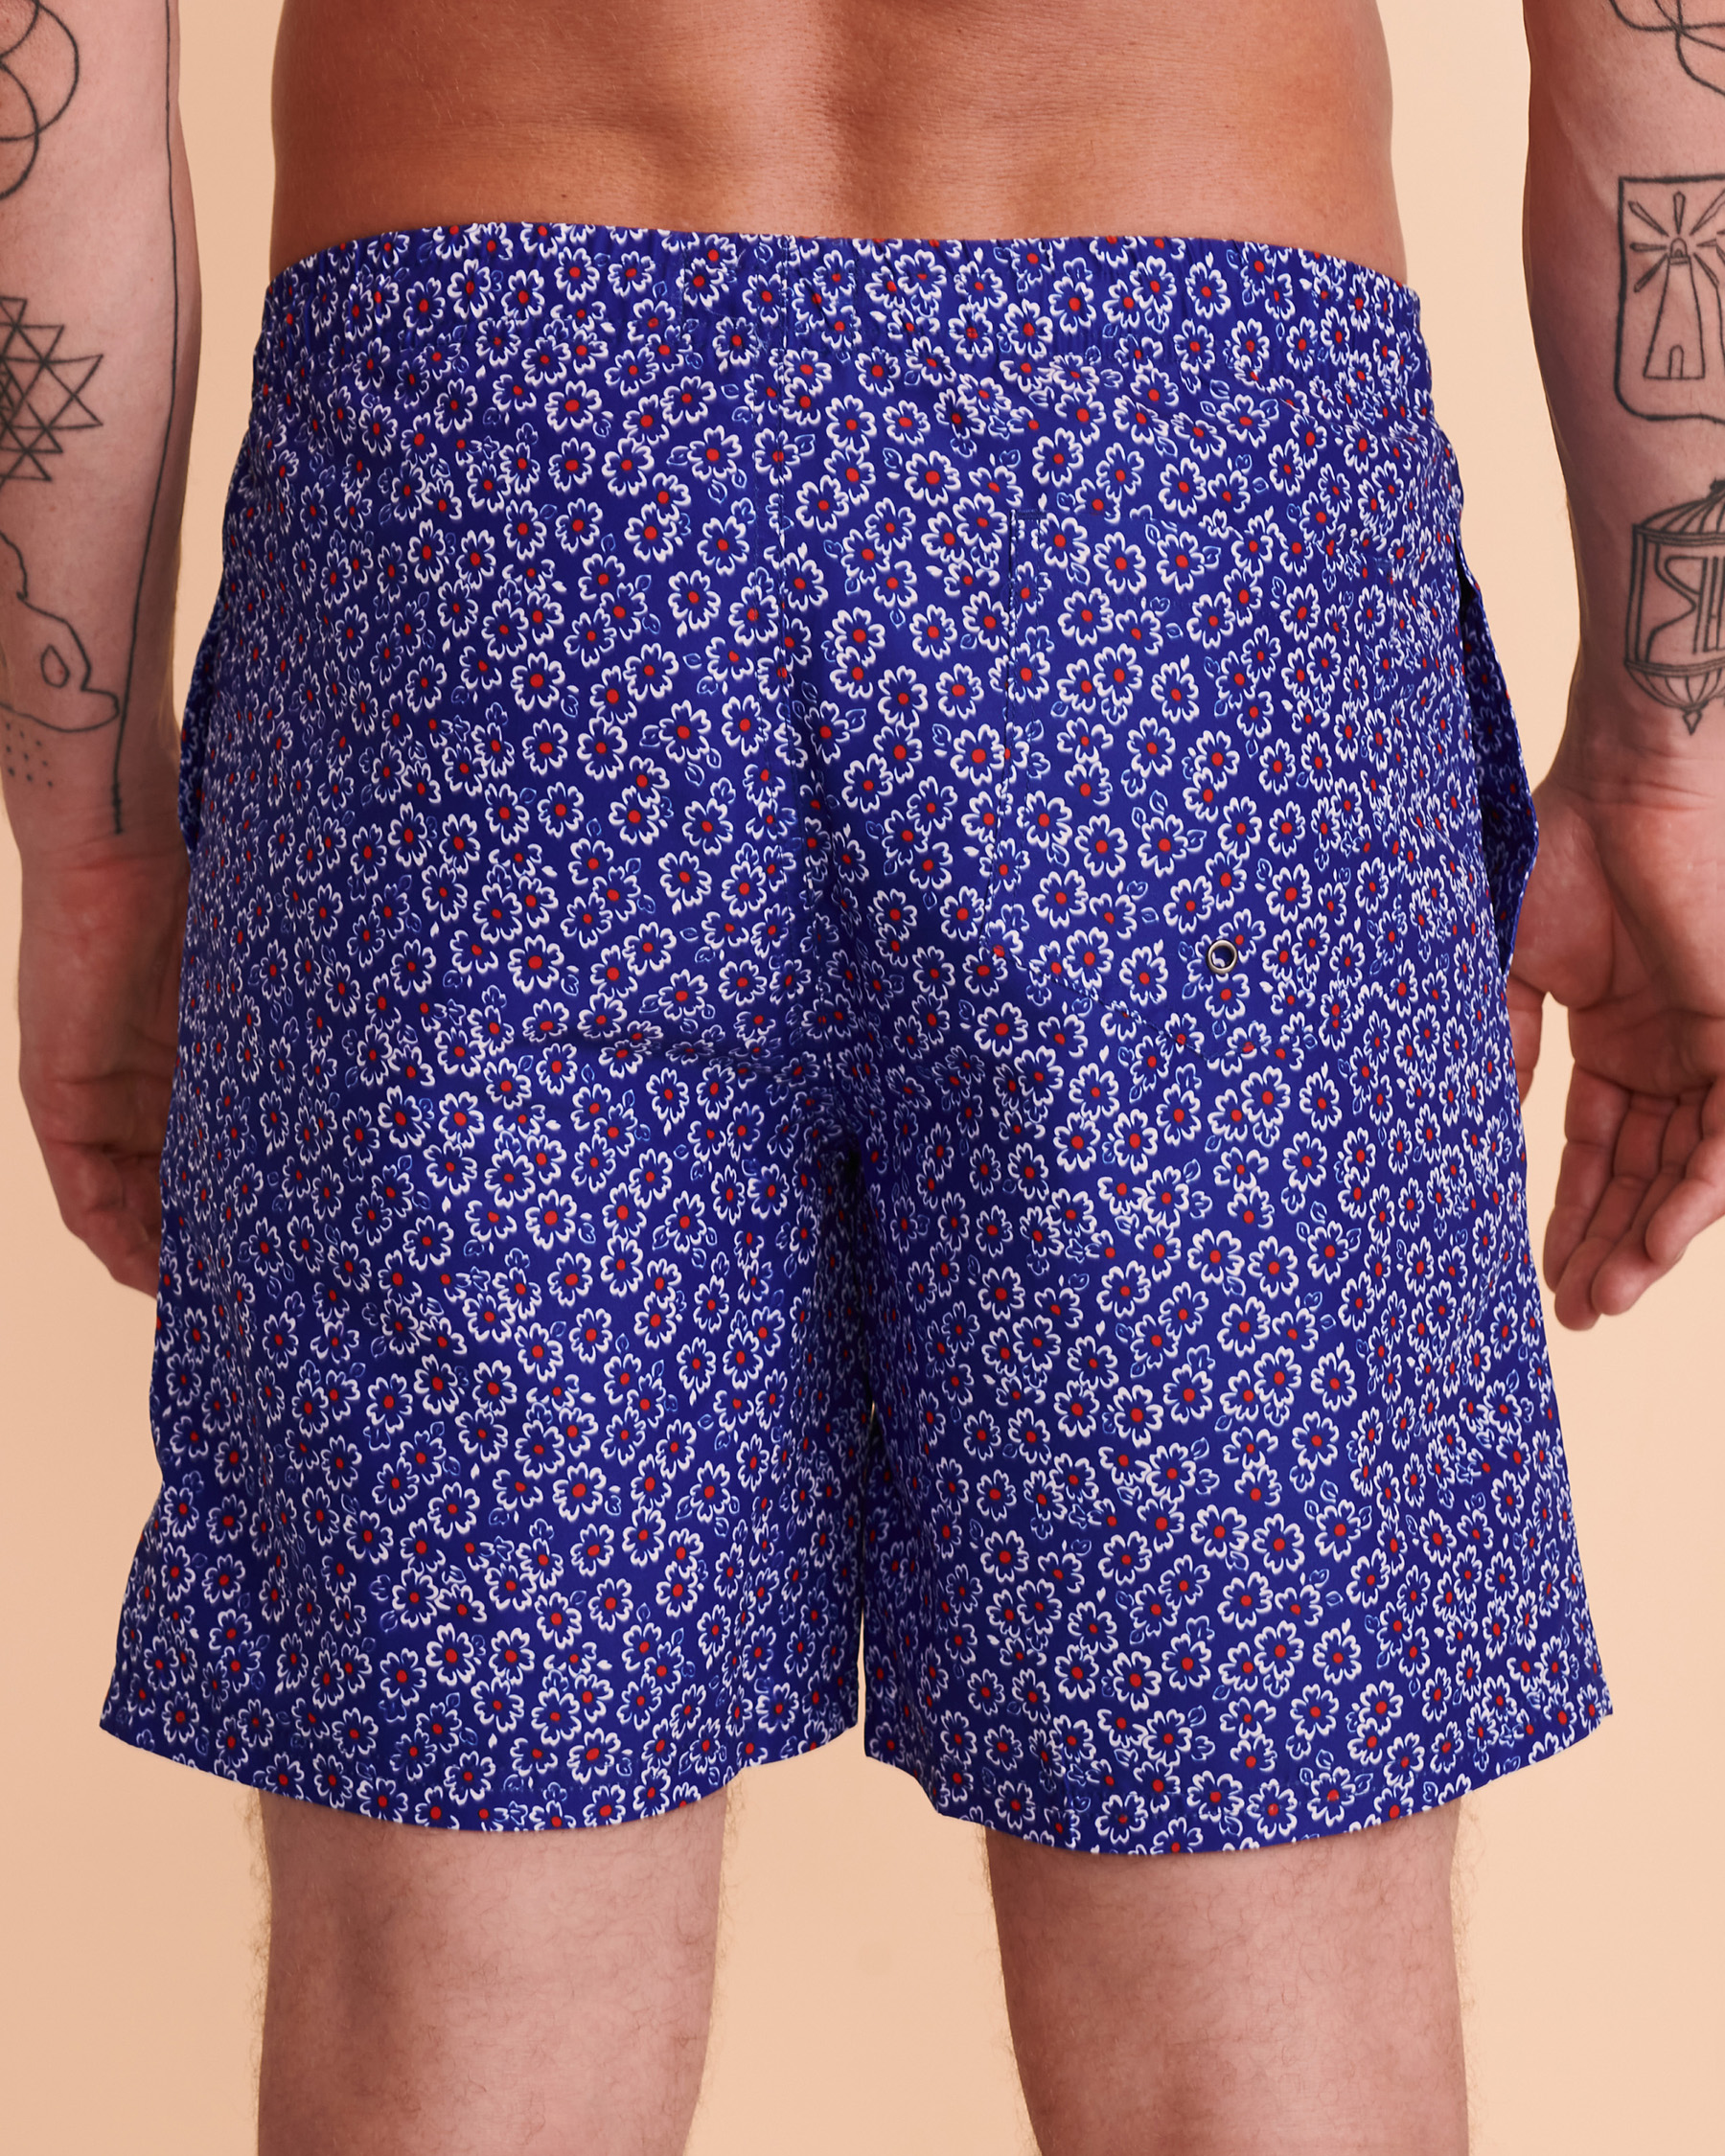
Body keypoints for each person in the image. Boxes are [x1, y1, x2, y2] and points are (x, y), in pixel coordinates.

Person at [3, 0, 1720, 2147]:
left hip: (498, 515)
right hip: (1181, 524)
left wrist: (89, 842)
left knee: (455, 2049)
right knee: (1263, 2061)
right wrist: (1673, 756)